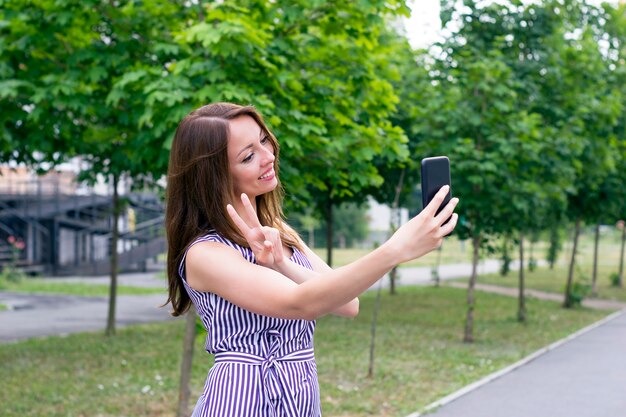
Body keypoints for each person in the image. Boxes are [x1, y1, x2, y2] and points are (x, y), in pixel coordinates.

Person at [165, 102, 459, 417]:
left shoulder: (280, 233)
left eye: (264, 141)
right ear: (214, 177)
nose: (268, 157)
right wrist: (395, 249)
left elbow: (347, 304)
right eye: (248, 156)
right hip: (241, 400)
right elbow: (300, 303)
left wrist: (281, 263)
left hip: (299, 398)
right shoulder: (205, 253)